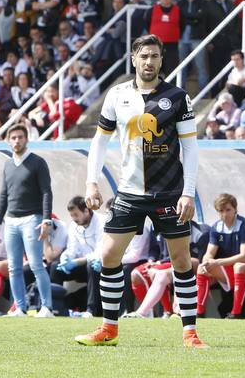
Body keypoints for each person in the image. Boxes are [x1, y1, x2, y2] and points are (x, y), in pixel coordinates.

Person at [75, 34, 206, 348]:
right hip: (129, 193)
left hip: (170, 194)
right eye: (144, 56)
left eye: (155, 56)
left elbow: (191, 148)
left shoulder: (177, 97)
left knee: (181, 260)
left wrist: (188, 193)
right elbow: (100, 141)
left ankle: (190, 332)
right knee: (107, 255)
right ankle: (109, 329)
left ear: (162, 60)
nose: (149, 62)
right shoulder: (116, 95)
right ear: (133, 59)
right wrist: (91, 181)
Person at [0, 124, 54, 317]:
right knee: (13, 267)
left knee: (36, 264)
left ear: (26, 139)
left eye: (20, 137)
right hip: (11, 221)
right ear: (8, 141)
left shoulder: (38, 162)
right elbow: (3, 194)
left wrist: (46, 219)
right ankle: (20, 308)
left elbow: (47, 192)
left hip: (32, 219)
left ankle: (47, 307)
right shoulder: (8, 164)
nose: (17, 141)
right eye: (13, 138)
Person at [195, 192, 245, 318]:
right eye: (221, 211)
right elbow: (209, 253)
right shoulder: (216, 227)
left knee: (239, 266)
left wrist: (217, 262)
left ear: (235, 209)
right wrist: (206, 261)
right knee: (201, 268)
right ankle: (199, 313)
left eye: (228, 210)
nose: (225, 214)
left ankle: (235, 313)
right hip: (230, 266)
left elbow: (244, 256)